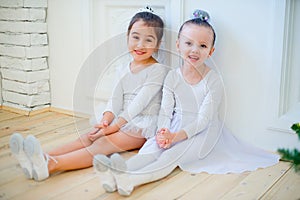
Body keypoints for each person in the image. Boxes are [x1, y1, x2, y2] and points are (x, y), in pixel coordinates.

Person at [93, 9, 280, 196]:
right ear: (178, 45)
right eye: (188, 43)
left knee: (169, 157)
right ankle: (116, 172)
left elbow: (203, 120)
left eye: (202, 46)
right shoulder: (172, 76)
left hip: (201, 132)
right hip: (173, 125)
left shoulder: (213, 80)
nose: (194, 50)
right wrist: (163, 131)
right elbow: (166, 111)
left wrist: (175, 137)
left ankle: (131, 180)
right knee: (150, 149)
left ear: (211, 51)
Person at [9, 7, 170, 181]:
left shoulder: (158, 70)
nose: (140, 45)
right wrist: (106, 120)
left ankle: (50, 164)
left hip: (142, 126)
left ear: (158, 45)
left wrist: (112, 129)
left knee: (103, 142)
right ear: (127, 37)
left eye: (148, 40)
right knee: (87, 137)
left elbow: (139, 104)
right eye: (136, 37)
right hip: (121, 121)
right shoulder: (124, 67)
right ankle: (38, 156)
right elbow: (115, 100)